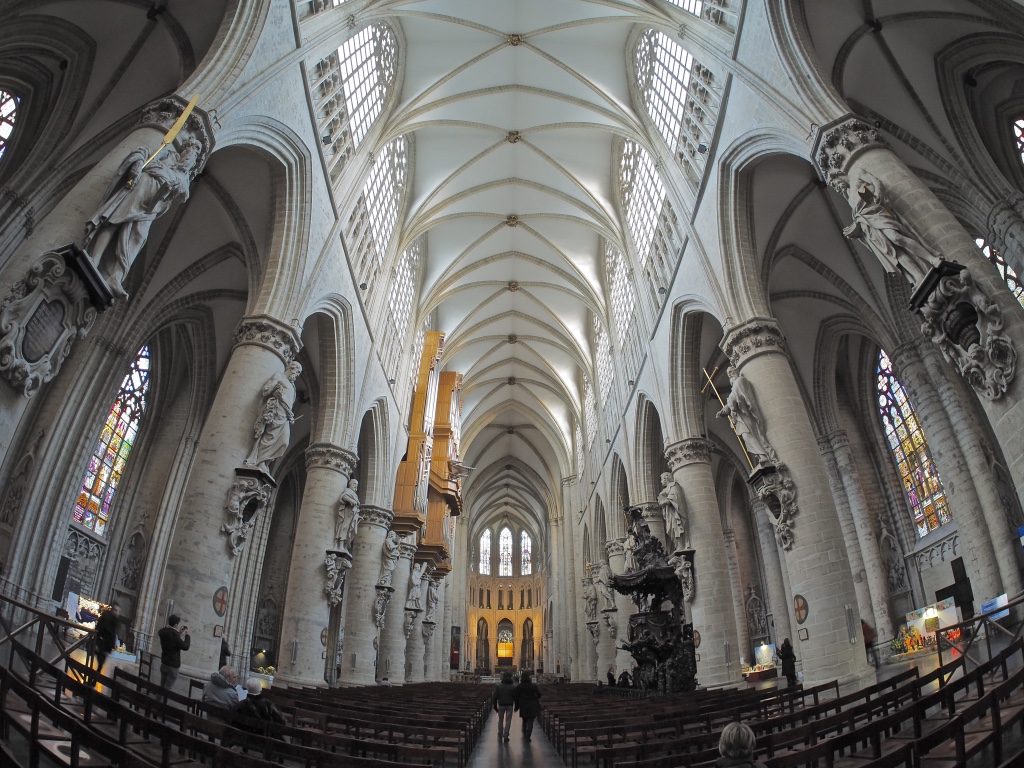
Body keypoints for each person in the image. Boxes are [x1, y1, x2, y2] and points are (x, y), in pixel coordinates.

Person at [83, 138, 202, 299]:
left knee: (139, 237)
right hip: (141, 188)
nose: (191, 157)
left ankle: (115, 277)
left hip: (152, 207)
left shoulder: (184, 178)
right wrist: (138, 165)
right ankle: (94, 259)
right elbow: (144, 152)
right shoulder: (169, 154)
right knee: (114, 221)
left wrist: (177, 188)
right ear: (184, 150)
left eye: (194, 156)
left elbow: (183, 196)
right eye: (190, 151)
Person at [245, 361, 302, 471]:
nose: (297, 374)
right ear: (291, 367)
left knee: (284, 442)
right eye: (297, 371)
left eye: (299, 372)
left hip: (285, 416)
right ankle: (259, 460)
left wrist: (289, 413)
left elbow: (288, 401)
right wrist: (274, 390)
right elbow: (266, 390)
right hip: (275, 412)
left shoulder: (292, 386)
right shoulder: (279, 376)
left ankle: (265, 462)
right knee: (269, 436)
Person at [157, 614, 190, 691]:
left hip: (164, 663)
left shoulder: (163, 632)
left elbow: (171, 639)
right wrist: (187, 635)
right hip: (173, 666)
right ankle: (163, 702)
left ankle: (157, 701)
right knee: (168, 688)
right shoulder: (175, 637)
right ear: (175, 625)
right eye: (177, 625)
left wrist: (179, 633)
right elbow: (186, 646)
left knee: (162, 686)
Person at [514, 671, 542, 743]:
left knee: (524, 720)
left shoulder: (519, 686)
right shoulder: (533, 685)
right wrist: (535, 697)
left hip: (523, 704)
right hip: (532, 704)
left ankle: (524, 732)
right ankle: (528, 737)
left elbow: (516, 697)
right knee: (530, 721)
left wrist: (516, 707)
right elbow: (539, 694)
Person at [93, 602, 120, 677]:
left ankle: (93, 680)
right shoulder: (105, 617)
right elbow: (98, 629)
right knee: (93, 662)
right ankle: (90, 679)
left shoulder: (115, 621)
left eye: (118, 611)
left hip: (105, 647)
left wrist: (110, 647)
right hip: (99, 643)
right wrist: (96, 643)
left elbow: (112, 634)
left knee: (100, 665)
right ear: (112, 610)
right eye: (115, 610)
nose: (117, 613)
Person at [492, 671, 516, 743]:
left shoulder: (499, 686)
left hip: (501, 705)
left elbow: (495, 697)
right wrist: (517, 706)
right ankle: (506, 735)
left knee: (500, 720)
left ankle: (500, 734)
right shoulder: (513, 686)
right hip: (509, 705)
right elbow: (515, 697)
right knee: (508, 721)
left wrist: (495, 706)